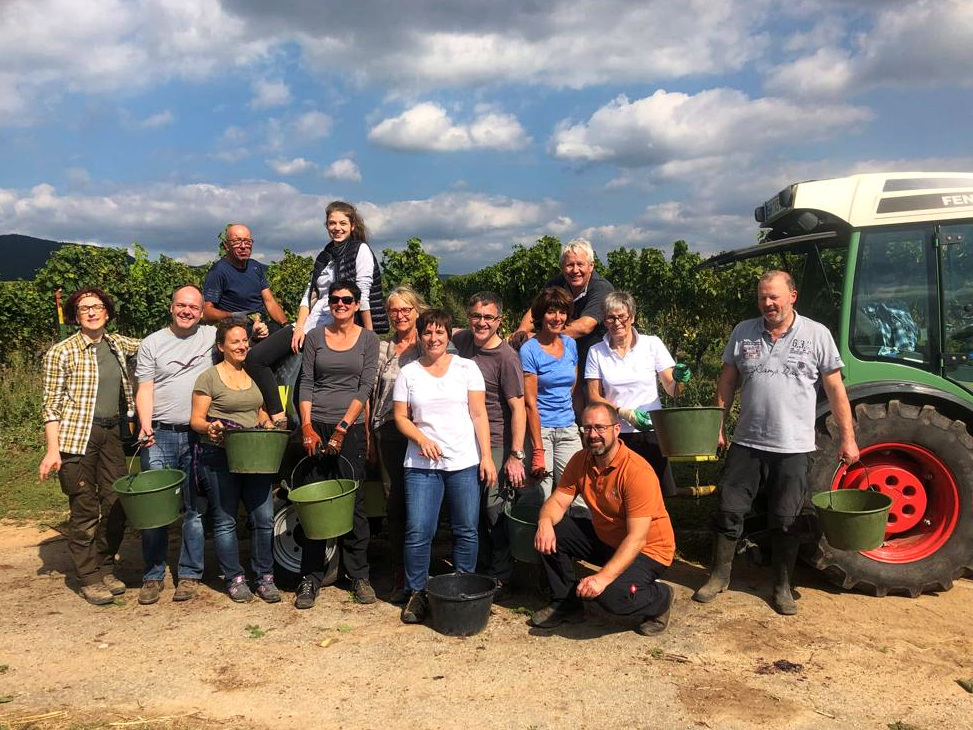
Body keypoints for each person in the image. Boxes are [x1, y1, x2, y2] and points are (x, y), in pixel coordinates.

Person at [692, 270, 859, 615]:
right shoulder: (743, 332)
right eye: (762, 298)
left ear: (792, 297)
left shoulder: (817, 334)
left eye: (774, 297)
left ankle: (782, 586)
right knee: (729, 509)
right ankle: (719, 576)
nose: (767, 303)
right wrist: (717, 426)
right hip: (747, 442)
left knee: (786, 519)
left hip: (794, 447)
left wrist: (848, 438)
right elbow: (727, 381)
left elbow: (835, 389)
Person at [530, 403, 676, 635]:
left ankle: (661, 598)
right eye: (587, 428)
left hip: (648, 550)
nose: (593, 434)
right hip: (608, 539)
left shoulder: (636, 471)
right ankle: (566, 602)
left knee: (611, 595)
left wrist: (602, 578)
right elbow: (557, 502)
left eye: (600, 427)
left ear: (616, 430)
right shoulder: (581, 460)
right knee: (552, 532)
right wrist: (545, 523)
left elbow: (637, 538)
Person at [393, 309, 496, 624]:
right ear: (420, 336)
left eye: (439, 332)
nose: (433, 338)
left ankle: (462, 587)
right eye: (427, 332)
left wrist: (487, 456)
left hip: (463, 461)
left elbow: (479, 414)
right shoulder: (409, 373)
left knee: (466, 529)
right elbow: (400, 417)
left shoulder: (467, 368)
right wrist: (421, 438)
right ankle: (416, 593)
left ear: (449, 336)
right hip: (421, 466)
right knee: (419, 531)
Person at [39, 288, 141, 605]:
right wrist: (52, 450)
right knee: (84, 509)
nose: (92, 312)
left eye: (97, 307)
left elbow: (158, 345)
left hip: (112, 434)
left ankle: (106, 566)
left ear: (107, 312)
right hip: (76, 437)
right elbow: (51, 406)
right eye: (84, 308)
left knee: (116, 503)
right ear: (76, 315)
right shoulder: (61, 352)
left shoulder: (118, 344)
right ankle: (89, 577)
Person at [244, 202, 387, 425]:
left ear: (352, 226)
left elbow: (364, 295)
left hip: (336, 326)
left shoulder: (360, 251)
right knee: (255, 358)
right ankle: (278, 415)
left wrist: (369, 336)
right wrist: (299, 327)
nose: (337, 228)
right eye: (332, 223)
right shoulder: (324, 256)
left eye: (342, 223)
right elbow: (308, 296)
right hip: (311, 323)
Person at [294, 281, 380, 609]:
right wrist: (306, 426)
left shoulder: (369, 340)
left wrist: (343, 428)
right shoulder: (316, 337)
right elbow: (307, 383)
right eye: (335, 300)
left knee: (353, 501)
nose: (340, 304)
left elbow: (365, 386)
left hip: (351, 428)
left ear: (357, 304)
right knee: (316, 501)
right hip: (316, 426)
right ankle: (310, 577)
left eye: (347, 299)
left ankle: (359, 575)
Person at [133, 285, 216, 605]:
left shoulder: (212, 337)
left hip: (197, 435)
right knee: (156, 508)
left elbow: (243, 339)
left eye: (193, 307)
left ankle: (190, 574)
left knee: (195, 508)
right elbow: (145, 389)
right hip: (159, 435)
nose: (186, 311)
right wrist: (144, 424)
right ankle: (153, 575)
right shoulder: (152, 343)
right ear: (171, 308)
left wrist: (260, 328)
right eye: (181, 305)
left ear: (202, 312)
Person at [190, 319, 280, 604]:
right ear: (221, 346)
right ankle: (234, 578)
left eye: (244, 341)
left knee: (263, 518)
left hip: (254, 454)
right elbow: (196, 420)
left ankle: (264, 577)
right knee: (225, 519)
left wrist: (267, 423)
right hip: (219, 454)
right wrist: (210, 427)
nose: (242, 346)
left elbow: (259, 410)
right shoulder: (209, 378)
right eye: (235, 342)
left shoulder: (253, 374)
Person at [452, 291, 527, 595]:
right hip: (464, 441)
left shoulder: (506, 358)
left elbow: (518, 408)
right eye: (476, 316)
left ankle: (501, 574)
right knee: (471, 510)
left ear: (499, 321)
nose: (481, 323)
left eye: (488, 317)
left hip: (496, 441)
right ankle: (480, 568)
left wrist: (515, 455)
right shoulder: (462, 341)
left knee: (494, 509)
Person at [584, 291, 690, 497]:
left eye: (621, 317)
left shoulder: (652, 344)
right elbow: (594, 396)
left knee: (656, 492)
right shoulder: (596, 351)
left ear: (632, 317)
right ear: (604, 321)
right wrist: (623, 412)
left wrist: (680, 380)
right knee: (619, 492)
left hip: (651, 431)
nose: (617, 323)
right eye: (610, 318)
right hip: (616, 434)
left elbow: (672, 389)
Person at [370, 286, 427, 604]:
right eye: (394, 310)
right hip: (389, 431)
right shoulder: (383, 349)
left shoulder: (429, 343)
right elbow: (370, 393)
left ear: (417, 311)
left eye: (406, 309)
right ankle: (401, 571)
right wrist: (370, 436)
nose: (400, 315)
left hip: (424, 432)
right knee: (395, 504)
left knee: (422, 502)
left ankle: (423, 569)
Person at [511, 237, 614, 381]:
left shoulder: (601, 288)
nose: (575, 270)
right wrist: (521, 332)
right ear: (562, 267)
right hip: (563, 360)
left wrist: (537, 338)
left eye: (580, 264)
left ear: (591, 266)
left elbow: (584, 326)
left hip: (594, 362)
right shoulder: (556, 284)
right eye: (569, 265)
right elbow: (536, 309)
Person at [520, 287, 583, 507]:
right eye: (551, 312)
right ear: (541, 315)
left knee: (577, 492)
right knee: (541, 494)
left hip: (568, 428)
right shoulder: (529, 350)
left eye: (562, 312)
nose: (557, 318)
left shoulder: (570, 345)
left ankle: (576, 530)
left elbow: (571, 387)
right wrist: (538, 449)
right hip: (541, 430)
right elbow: (530, 403)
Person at [202, 223, 289, 337]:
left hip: (262, 326)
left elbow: (269, 301)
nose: (243, 246)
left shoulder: (255, 267)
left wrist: (286, 326)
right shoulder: (218, 271)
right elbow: (207, 313)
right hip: (238, 330)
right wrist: (233, 316)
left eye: (248, 242)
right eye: (237, 241)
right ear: (226, 245)